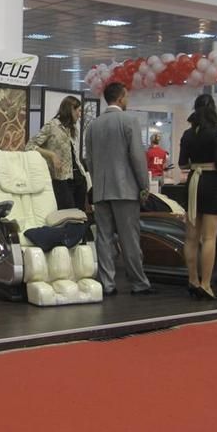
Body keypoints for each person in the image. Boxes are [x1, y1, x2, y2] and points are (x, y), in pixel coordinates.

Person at [85, 82, 154, 296]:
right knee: (129, 238)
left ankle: (107, 284)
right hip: (125, 190)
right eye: (127, 96)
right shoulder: (129, 121)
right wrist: (144, 186)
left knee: (104, 238)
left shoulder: (93, 125)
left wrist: (97, 182)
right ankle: (139, 283)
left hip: (101, 190)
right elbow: (137, 158)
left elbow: (90, 160)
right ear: (121, 97)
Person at [179, 94, 217, 300]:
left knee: (191, 237)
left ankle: (192, 281)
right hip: (213, 185)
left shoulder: (187, 134)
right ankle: (206, 284)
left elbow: (182, 163)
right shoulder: (216, 134)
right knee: (209, 237)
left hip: (193, 183)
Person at [26, 95, 88, 210]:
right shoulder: (52, 126)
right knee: (67, 214)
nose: (80, 114)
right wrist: (51, 155)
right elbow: (30, 146)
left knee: (80, 215)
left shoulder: (72, 128)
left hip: (79, 178)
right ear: (71, 109)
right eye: (78, 111)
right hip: (61, 179)